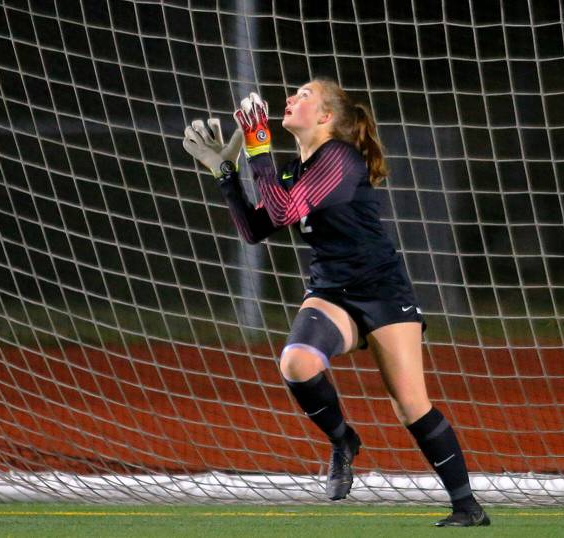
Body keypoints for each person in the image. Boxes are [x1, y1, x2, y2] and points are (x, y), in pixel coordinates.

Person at [182, 77, 490, 527]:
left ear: (326, 117)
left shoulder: (341, 159)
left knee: (411, 406)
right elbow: (255, 230)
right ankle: (344, 441)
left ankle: (468, 507)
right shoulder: (292, 169)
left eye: (304, 95)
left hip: (383, 292)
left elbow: (286, 211)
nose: (291, 98)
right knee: (296, 363)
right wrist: (223, 169)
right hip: (330, 293)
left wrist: (257, 146)